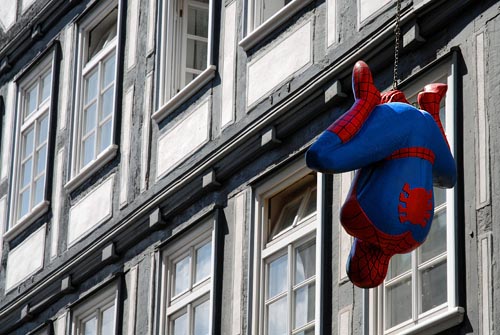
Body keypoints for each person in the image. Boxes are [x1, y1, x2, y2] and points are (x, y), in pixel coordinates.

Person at [306, 61, 457, 288]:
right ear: (357, 253)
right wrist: (377, 115)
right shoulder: (354, 221)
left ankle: (431, 108)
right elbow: (366, 164)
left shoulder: (413, 241)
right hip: (399, 128)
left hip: (426, 134)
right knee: (319, 157)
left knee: (450, 178)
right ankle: (365, 101)